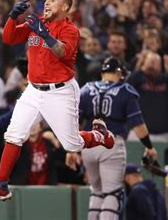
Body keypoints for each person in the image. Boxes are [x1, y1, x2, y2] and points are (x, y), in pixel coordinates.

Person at [0, 0, 115, 203]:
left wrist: (45, 35)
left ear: (65, 7)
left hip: (60, 91)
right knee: (13, 134)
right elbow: (9, 37)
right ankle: (1, 185)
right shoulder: (37, 22)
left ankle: (99, 135)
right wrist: (12, 18)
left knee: (72, 145)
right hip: (34, 89)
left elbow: (63, 53)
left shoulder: (70, 29)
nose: (47, 3)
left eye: (53, 0)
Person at [68, 57, 158, 220]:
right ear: (118, 72)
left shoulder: (86, 89)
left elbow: (73, 124)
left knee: (96, 191)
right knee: (112, 192)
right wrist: (149, 147)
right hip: (111, 143)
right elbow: (138, 126)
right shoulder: (125, 90)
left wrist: (71, 149)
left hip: (88, 145)